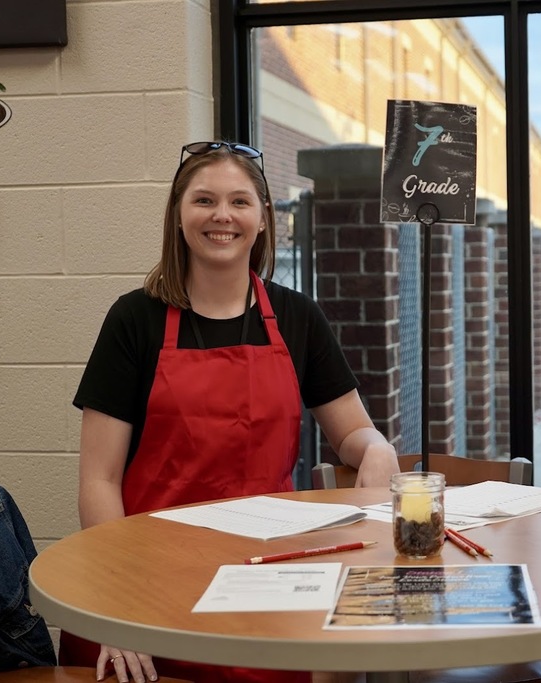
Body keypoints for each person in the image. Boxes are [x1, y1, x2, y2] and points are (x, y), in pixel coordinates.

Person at [59, 141, 400, 683]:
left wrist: (376, 448)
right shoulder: (134, 320)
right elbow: (99, 481)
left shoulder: (297, 317)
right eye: (204, 200)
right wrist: (117, 607)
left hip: (265, 580)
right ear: (178, 215)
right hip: (144, 580)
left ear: (263, 218)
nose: (222, 215)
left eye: (239, 201)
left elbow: (352, 430)